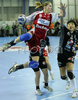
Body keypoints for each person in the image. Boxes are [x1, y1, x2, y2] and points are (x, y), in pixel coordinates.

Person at [0, 1, 66, 95]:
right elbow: (25, 19)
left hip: (40, 42)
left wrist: (63, 9)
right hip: (33, 35)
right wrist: (21, 20)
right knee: (26, 36)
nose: (51, 7)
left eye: (51, 6)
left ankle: (18, 67)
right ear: (45, 6)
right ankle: (9, 44)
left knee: (37, 65)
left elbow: (63, 15)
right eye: (50, 6)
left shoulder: (52, 16)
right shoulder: (37, 14)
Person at [57, 20, 78, 98]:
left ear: (75, 26)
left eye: (72, 24)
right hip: (61, 55)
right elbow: (62, 23)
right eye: (69, 24)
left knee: (69, 72)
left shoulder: (77, 33)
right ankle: (68, 80)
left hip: (70, 54)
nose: (71, 25)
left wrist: (75, 49)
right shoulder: (64, 31)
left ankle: (75, 90)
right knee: (63, 76)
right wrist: (62, 12)